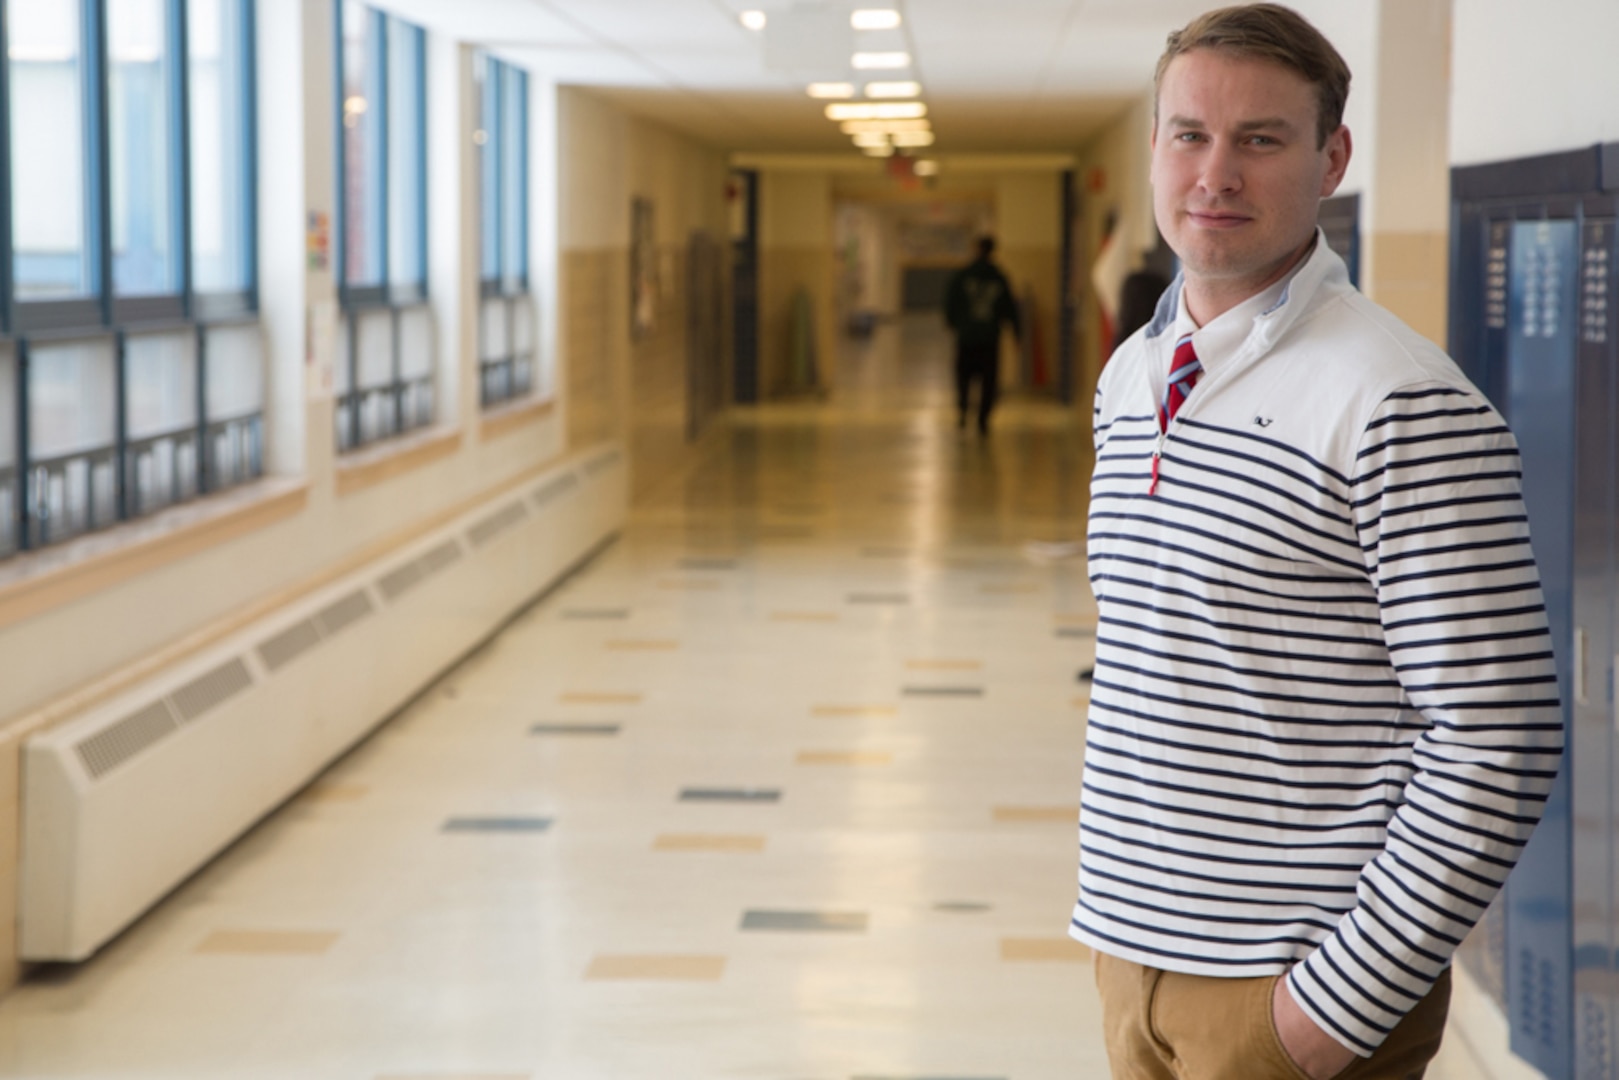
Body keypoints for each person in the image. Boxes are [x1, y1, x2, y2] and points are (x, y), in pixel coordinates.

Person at [1073, 6, 1563, 1080]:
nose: (1214, 173)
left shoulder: (1395, 399)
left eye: (1260, 138)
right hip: (1131, 954)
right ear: (1150, 148)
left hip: (1289, 991)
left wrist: (1325, 1012)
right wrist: (1122, 944)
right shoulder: (1131, 378)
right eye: (1187, 134)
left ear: (1329, 158)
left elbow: (1498, 737)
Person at [943, 236, 1020, 434]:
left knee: (963, 377)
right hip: (989, 338)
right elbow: (1009, 307)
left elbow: (950, 302)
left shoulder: (962, 275)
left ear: (976, 249)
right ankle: (983, 419)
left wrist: (953, 323)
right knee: (988, 380)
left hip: (966, 337)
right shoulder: (998, 277)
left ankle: (963, 411)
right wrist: (1016, 331)